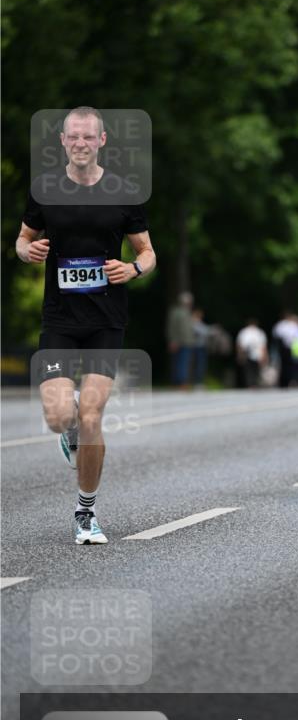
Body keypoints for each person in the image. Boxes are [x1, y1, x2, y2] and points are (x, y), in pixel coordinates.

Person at [15, 106, 156, 545]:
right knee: (60, 417)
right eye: (72, 137)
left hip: (106, 321)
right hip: (59, 318)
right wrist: (28, 252)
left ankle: (86, 512)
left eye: (87, 137)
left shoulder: (124, 192)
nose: (80, 144)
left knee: (92, 414)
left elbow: (148, 252)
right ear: (62, 141)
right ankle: (70, 429)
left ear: (101, 141)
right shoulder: (44, 190)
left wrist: (132, 270)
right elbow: (22, 240)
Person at [167, 291, 195, 388]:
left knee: (183, 362)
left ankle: (181, 382)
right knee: (180, 362)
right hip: (179, 341)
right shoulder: (176, 312)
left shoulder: (188, 312)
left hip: (188, 341)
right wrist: (173, 340)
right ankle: (180, 382)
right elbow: (172, 327)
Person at [236, 318, 268, 389]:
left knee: (251, 369)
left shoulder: (245, 332)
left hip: (253, 353)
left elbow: (239, 345)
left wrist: (239, 354)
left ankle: (252, 384)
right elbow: (263, 346)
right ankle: (252, 384)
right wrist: (264, 355)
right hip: (251, 353)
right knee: (251, 369)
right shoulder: (258, 332)